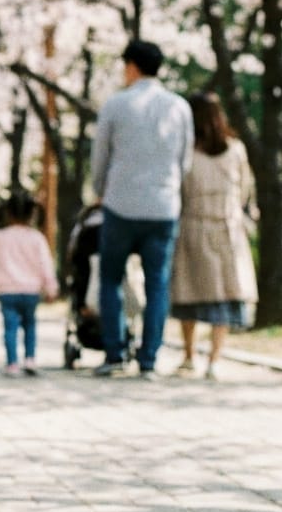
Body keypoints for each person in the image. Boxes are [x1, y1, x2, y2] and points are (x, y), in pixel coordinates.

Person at [90, 40, 194, 379]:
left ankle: (115, 353)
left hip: (120, 205)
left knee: (110, 279)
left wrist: (100, 191)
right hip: (163, 208)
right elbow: (185, 160)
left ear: (132, 66)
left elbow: (100, 158)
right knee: (157, 283)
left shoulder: (116, 105)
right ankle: (149, 359)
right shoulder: (179, 107)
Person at [171, 93, 258, 381]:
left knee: (190, 292)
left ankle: (188, 356)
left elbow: (179, 190)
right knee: (224, 292)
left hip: (193, 225)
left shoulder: (186, 151)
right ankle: (215, 360)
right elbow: (245, 189)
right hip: (226, 226)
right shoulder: (235, 150)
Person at [0, 192, 59, 377]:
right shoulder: (37, 238)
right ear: (32, 214)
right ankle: (30, 359)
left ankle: (12, 363)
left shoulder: (0, 236)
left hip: (7, 291)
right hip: (31, 291)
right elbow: (46, 265)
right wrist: (51, 288)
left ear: (8, 213)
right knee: (30, 325)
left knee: (10, 327)